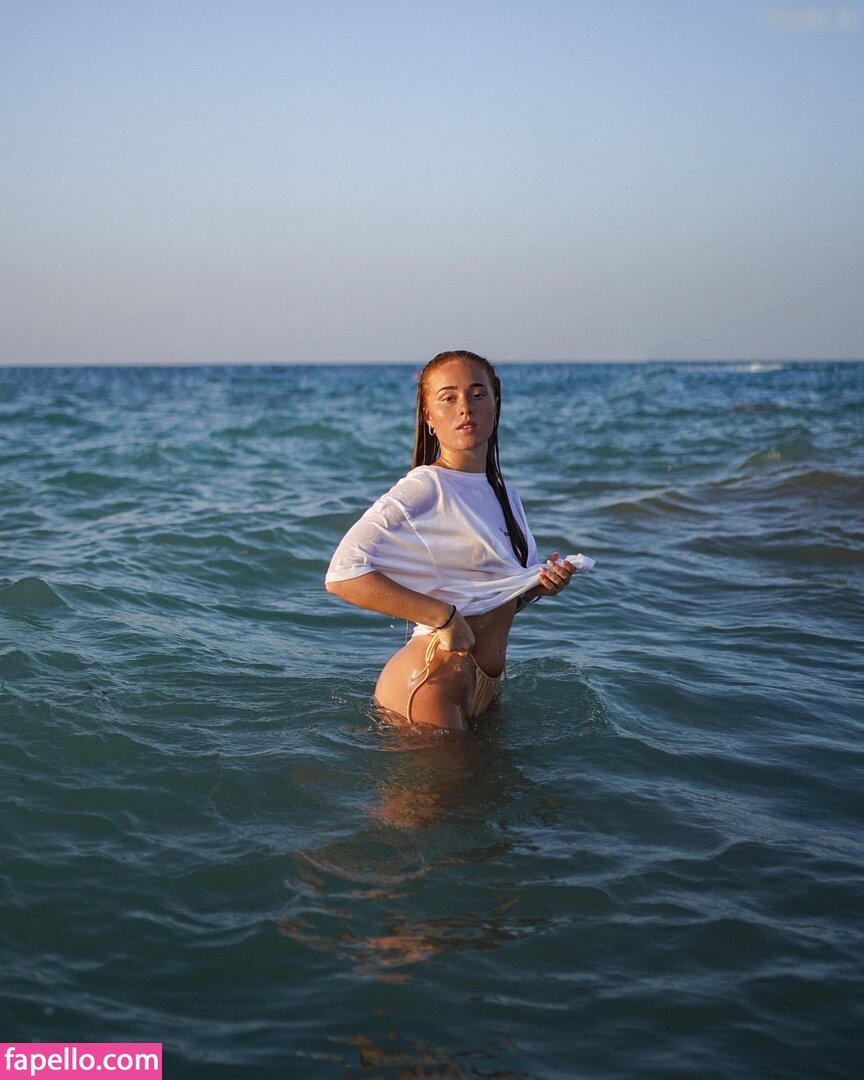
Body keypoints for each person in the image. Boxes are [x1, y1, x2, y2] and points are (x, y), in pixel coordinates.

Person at [325, 350, 593, 732]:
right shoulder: (425, 486)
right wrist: (443, 616)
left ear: (496, 404)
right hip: (431, 681)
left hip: (484, 686)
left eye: (477, 394)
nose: (465, 407)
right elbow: (343, 574)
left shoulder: (505, 494)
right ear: (428, 417)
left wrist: (536, 588)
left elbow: (485, 598)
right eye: (448, 398)